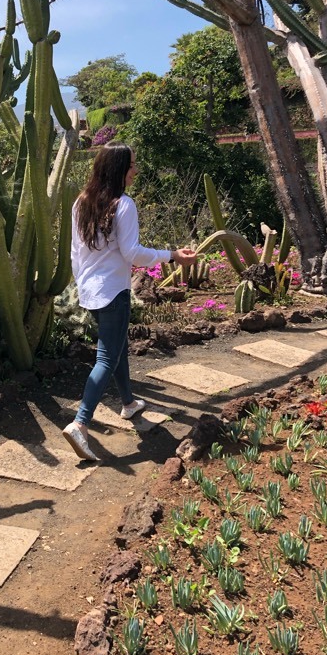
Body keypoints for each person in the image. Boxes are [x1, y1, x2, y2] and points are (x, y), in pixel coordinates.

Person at [63, 142, 197, 461]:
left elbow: (74, 251)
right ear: (119, 170)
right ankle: (80, 424)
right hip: (114, 293)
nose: (136, 170)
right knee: (107, 358)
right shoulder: (123, 204)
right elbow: (132, 252)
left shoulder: (81, 202)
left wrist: (82, 283)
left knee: (117, 346)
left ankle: (128, 404)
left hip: (92, 292)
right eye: (132, 165)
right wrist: (173, 256)